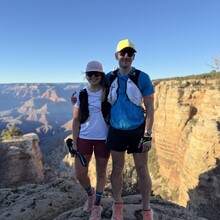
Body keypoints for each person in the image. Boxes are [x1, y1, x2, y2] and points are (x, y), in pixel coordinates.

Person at [105, 39, 154, 220]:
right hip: (116, 130)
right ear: (116, 56)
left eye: (130, 54)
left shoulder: (142, 77)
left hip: (137, 130)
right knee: (117, 168)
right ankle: (118, 204)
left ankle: (146, 209)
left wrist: (147, 135)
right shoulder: (109, 77)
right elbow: (95, 92)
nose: (126, 57)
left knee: (142, 169)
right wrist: (77, 100)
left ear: (133, 57)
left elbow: (149, 107)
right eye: (122, 53)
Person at [72, 60, 111, 220]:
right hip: (84, 139)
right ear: (86, 75)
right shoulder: (81, 94)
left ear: (101, 75)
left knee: (101, 173)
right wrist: (74, 143)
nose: (93, 76)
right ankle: (90, 194)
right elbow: (75, 120)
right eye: (90, 74)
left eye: (96, 73)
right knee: (80, 173)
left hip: (103, 139)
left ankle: (97, 205)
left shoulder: (108, 92)